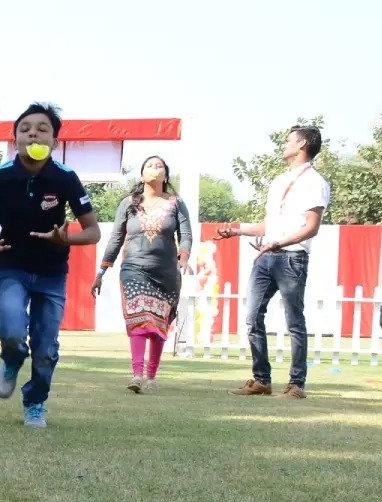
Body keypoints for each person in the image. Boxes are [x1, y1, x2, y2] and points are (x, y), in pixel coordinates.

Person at [0, 103, 102, 429]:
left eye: (42, 128)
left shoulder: (66, 178)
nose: (33, 133)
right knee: (13, 332)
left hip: (52, 273)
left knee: (45, 348)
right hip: (11, 266)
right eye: (25, 128)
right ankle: (11, 360)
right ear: (15, 138)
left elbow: (93, 231)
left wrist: (65, 239)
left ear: (54, 141)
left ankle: (35, 404)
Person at [218, 125, 331, 399]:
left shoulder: (315, 182)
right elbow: (269, 225)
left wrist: (278, 243)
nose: (284, 145)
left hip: (292, 258)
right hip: (266, 256)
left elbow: (311, 227)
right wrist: (237, 230)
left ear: (302, 144)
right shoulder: (279, 181)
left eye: (288, 141)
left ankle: (296, 384)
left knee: (294, 321)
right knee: (252, 316)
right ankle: (261, 380)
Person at [93, 156, 194, 393]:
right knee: (139, 319)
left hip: (166, 273)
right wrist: (101, 271)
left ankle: (152, 376)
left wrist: (184, 257)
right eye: (149, 165)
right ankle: (136, 375)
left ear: (166, 176)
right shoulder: (128, 204)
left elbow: (186, 235)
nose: (154, 169)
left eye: (159, 166)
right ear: (141, 176)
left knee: (158, 325)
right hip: (134, 270)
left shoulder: (176, 203)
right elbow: (116, 239)